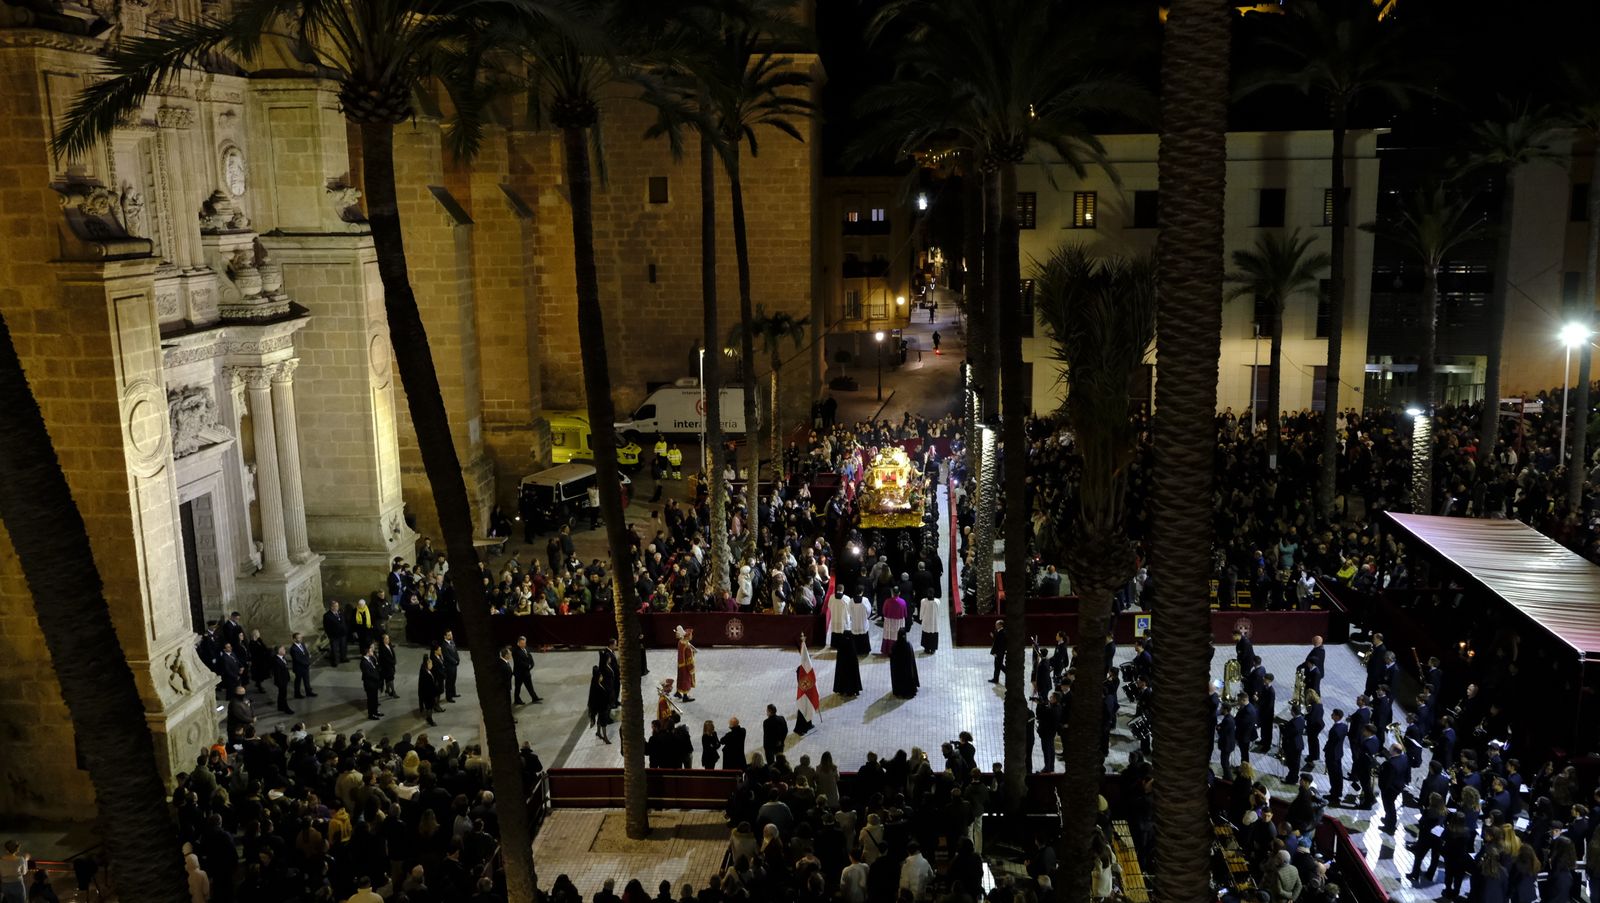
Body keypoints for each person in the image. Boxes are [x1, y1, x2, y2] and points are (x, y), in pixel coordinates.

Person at [833, 621, 863, 697]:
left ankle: (842, 689)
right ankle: (852, 690)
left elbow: (838, 667)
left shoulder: (841, 649)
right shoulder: (852, 649)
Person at [890, 627, 920, 699]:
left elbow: (892, 661)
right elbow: (912, 661)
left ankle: (899, 691)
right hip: (907, 671)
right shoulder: (908, 645)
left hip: (898, 672)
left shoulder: (894, 646)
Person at [512, 636, 542, 705]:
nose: (524, 645)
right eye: (522, 643)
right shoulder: (515, 651)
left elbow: (529, 656)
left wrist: (532, 663)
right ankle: (517, 700)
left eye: (524, 643)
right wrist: (528, 665)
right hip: (519, 673)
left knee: (530, 686)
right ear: (518, 643)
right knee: (518, 687)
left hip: (526, 672)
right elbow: (519, 662)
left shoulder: (526, 648)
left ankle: (534, 698)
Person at [587, 666, 613, 744]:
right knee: (604, 723)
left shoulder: (597, 683)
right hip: (602, 708)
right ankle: (605, 737)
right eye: (601, 676)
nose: (602, 677)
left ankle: (598, 732)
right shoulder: (597, 687)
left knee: (599, 720)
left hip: (602, 707)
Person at [359, 644, 383, 720]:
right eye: (370, 649)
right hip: (370, 684)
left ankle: (375, 711)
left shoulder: (371, 658)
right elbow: (368, 674)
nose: (372, 650)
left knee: (375, 699)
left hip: (375, 683)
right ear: (367, 652)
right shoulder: (363, 663)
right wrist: (377, 677)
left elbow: (375, 667)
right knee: (371, 700)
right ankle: (371, 714)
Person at [289, 632, 315, 698]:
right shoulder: (293, 649)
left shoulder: (302, 644)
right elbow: (298, 659)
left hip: (305, 666)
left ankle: (308, 692)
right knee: (298, 681)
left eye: (301, 637)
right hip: (299, 668)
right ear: (294, 639)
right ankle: (297, 694)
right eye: (299, 638)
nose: (301, 639)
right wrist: (307, 663)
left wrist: (308, 657)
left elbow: (306, 653)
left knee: (307, 680)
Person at [675, 626, 697, 702]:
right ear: (688, 636)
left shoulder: (681, 642)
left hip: (680, 664)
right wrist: (691, 668)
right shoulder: (687, 646)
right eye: (691, 635)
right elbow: (689, 659)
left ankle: (678, 692)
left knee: (680, 678)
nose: (692, 636)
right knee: (685, 680)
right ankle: (685, 696)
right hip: (685, 666)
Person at [323, 600, 349, 666]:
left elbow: (344, 622)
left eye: (337, 606)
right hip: (334, 636)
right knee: (335, 649)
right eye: (335, 606)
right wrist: (330, 635)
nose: (337, 607)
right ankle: (335, 661)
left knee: (343, 647)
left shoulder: (340, 613)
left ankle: (343, 658)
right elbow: (326, 627)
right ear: (331, 607)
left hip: (342, 634)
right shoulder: (327, 616)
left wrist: (345, 630)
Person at [418, 655, 441, 727]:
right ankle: (429, 719)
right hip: (428, 695)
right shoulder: (426, 674)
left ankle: (429, 718)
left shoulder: (426, 670)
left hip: (428, 694)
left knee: (429, 707)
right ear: (427, 664)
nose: (432, 665)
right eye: (431, 664)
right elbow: (429, 687)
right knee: (429, 707)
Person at [270, 645, 293, 715]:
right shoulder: (276, 660)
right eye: (283, 649)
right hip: (281, 681)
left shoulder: (282, 658)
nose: (285, 650)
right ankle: (286, 708)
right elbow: (277, 673)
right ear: (279, 651)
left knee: (281, 694)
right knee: (283, 695)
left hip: (284, 679)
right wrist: (280, 682)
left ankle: (280, 706)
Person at [440, 630, 461, 702]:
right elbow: (447, 656)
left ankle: (453, 693)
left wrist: (458, 659)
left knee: (453, 680)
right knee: (449, 681)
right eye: (449, 635)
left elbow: (455, 651)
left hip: (454, 665)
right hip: (449, 666)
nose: (451, 636)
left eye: (451, 634)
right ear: (445, 636)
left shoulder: (452, 642)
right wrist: (454, 661)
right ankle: (448, 697)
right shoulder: (444, 645)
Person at [378, 633, 399, 699]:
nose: (388, 640)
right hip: (386, 667)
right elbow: (386, 658)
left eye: (388, 638)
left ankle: (387, 690)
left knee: (388, 679)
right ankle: (393, 692)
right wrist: (393, 662)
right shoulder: (382, 648)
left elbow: (393, 653)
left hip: (391, 665)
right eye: (386, 638)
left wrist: (394, 660)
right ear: (383, 640)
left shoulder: (389, 645)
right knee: (390, 679)